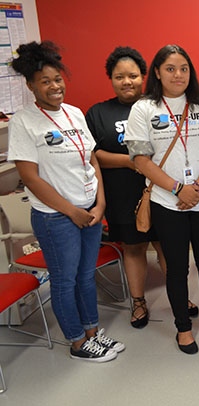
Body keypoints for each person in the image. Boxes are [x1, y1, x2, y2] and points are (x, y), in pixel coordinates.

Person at [8, 41, 124, 362]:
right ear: (31, 86)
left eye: (57, 79)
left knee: (86, 276)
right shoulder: (24, 121)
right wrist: (71, 210)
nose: (54, 86)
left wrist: (99, 205)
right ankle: (76, 342)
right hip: (56, 218)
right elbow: (31, 178)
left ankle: (92, 332)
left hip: (88, 211)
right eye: (45, 81)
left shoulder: (74, 113)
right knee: (64, 280)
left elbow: (93, 161)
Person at [124, 44, 199, 354]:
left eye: (184, 68)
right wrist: (176, 189)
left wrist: (195, 188)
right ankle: (183, 328)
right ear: (157, 72)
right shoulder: (144, 109)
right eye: (170, 68)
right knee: (178, 267)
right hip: (167, 202)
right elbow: (141, 160)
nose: (178, 74)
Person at [86, 46, 199, 329]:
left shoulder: (162, 105)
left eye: (133, 76)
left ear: (144, 76)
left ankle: (180, 297)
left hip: (164, 190)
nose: (127, 82)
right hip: (123, 193)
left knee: (168, 247)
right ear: (110, 79)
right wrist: (131, 161)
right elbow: (92, 155)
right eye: (119, 76)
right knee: (134, 248)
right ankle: (138, 302)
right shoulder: (99, 113)